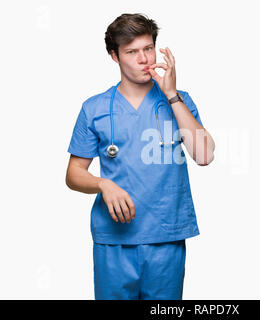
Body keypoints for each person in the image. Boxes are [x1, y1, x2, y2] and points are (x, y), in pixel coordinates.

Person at [65, 13, 215, 300]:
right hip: (114, 240)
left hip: (166, 234)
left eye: (148, 49)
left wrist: (171, 94)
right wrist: (102, 184)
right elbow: (73, 174)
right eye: (132, 52)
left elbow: (205, 155)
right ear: (114, 56)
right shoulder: (94, 108)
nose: (144, 59)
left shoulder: (179, 101)